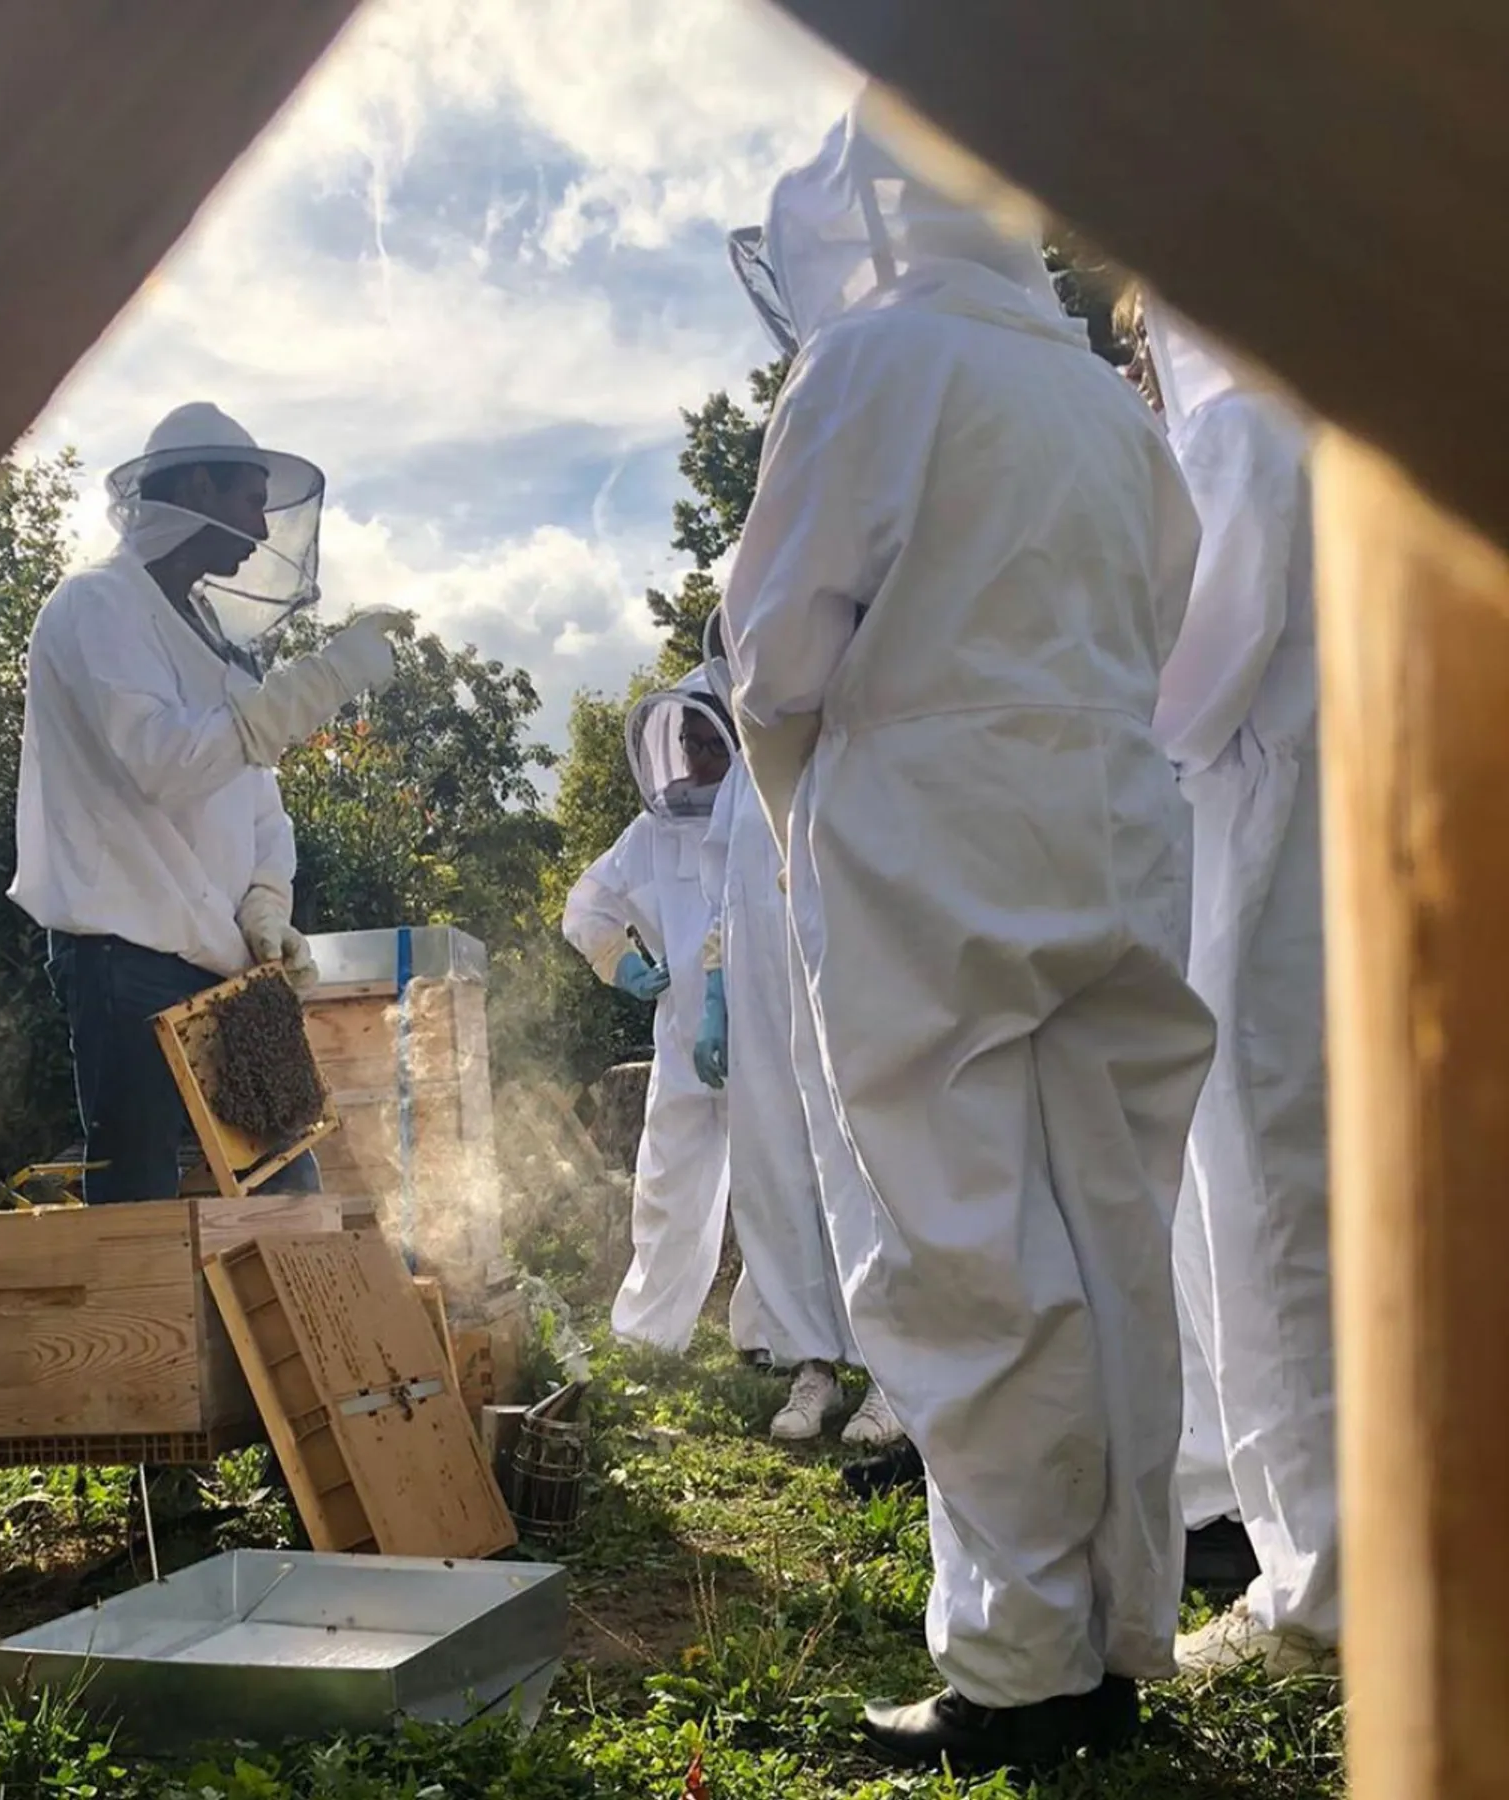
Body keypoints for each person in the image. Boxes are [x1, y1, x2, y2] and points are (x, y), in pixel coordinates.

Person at [722, 102, 1214, 1774]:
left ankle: (1020, 1671)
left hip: (931, 839)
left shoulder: (869, 366)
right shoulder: (1105, 400)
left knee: (960, 1250)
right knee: (1113, 1242)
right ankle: (1116, 1631)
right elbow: (1167, 614)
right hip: (1119, 832)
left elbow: (777, 649)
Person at [10, 402, 411, 1204]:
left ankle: (292, 1336)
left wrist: (268, 899)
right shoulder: (97, 606)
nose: (263, 523)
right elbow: (168, 761)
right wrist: (324, 678)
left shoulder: (210, 635)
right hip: (123, 955)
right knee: (143, 1204)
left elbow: (257, 793)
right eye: (249, 497)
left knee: (288, 1181)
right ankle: (152, 1339)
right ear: (197, 485)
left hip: (226, 966)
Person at [1144, 303, 1338, 1677]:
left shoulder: (1236, 426)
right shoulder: (1358, 415)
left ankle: (1320, 1591)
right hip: (1357, 836)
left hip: (1262, 852)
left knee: (1265, 1217)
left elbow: (1189, 690)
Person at [697, 607, 903, 1448]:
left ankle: (897, 1376)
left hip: (851, 987)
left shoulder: (859, 737)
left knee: (870, 1169)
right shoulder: (746, 772)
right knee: (778, 1175)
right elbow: (724, 892)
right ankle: (811, 1362)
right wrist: (714, 987)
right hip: (763, 1003)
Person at [562, 674, 735, 1351]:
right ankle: (647, 1337)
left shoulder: (760, 812)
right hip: (683, 1032)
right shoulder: (655, 828)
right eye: (688, 744)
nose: (695, 760)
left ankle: (782, 1342)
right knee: (667, 1184)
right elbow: (588, 903)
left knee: (781, 1187)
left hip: (772, 1034)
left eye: (709, 745)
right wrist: (622, 963)